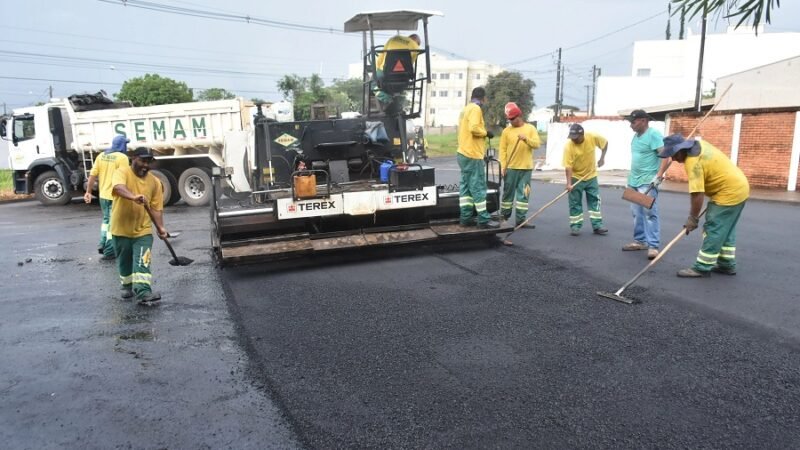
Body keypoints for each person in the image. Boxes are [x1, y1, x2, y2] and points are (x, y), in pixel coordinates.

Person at [658, 134, 749, 278]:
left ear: (681, 150)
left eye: (673, 155)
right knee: (725, 229)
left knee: (714, 228)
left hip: (728, 192)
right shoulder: (699, 144)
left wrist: (692, 219)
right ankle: (727, 264)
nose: (673, 159)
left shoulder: (693, 163)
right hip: (739, 187)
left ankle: (702, 267)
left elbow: (697, 194)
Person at [110, 147, 167, 305]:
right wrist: (133, 196)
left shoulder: (155, 182)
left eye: (148, 162)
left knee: (143, 259)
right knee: (124, 260)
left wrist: (160, 228)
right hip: (120, 228)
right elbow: (118, 188)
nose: (145, 165)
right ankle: (126, 285)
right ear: (133, 158)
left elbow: (156, 208)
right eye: (142, 161)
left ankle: (143, 291)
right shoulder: (122, 172)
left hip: (143, 230)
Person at [623, 109, 670, 260]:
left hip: (647, 181)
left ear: (643, 120)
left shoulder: (653, 135)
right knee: (636, 213)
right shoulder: (635, 137)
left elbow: (666, 157)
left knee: (650, 213)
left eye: (633, 121)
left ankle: (653, 246)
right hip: (634, 181)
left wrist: (658, 176)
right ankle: (640, 241)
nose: (631, 125)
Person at [457, 87, 499, 229]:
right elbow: (474, 128)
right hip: (472, 153)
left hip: (463, 152)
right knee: (478, 187)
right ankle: (483, 220)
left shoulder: (465, 109)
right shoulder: (475, 109)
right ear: (483, 98)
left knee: (466, 188)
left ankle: (466, 218)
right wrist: (486, 133)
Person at [84, 135, 130, 260]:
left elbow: (92, 175)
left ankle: (103, 243)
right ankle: (110, 250)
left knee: (106, 222)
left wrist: (88, 192)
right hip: (115, 196)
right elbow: (126, 177)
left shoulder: (101, 156)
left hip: (103, 196)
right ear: (122, 145)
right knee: (113, 224)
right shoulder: (122, 158)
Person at [499, 102, 540, 228]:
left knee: (524, 195)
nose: (510, 121)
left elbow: (537, 144)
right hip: (511, 168)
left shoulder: (530, 129)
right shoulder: (506, 131)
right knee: (507, 195)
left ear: (519, 116)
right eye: (509, 119)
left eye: (512, 119)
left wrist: (526, 139)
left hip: (526, 169)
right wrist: (503, 166)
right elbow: (503, 150)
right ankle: (503, 218)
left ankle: (521, 220)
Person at [562, 123, 609, 236]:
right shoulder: (569, 146)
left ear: (582, 135)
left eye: (576, 138)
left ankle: (597, 226)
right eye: (572, 138)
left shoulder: (592, 137)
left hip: (591, 175)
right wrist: (569, 184)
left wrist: (602, 158)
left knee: (594, 200)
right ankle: (575, 226)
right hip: (576, 176)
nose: (573, 140)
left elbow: (605, 143)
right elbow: (568, 166)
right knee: (575, 202)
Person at [373, 34, 421, 106]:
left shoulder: (393, 39)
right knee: (400, 88)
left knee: (372, 84)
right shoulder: (416, 47)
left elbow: (381, 57)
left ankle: (388, 100)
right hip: (402, 77)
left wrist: (377, 70)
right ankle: (398, 100)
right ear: (416, 42)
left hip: (385, 73)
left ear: (409, 37)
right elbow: (410, 65)